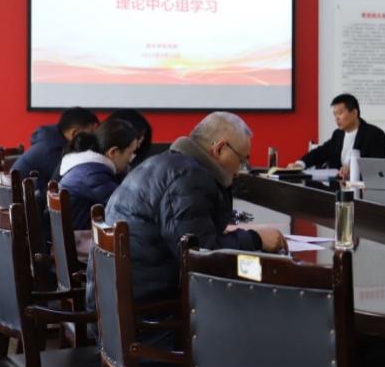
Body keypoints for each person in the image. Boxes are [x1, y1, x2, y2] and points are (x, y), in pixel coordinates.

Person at [96, 111, 286, 305]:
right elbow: (202, 259)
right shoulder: (189, 178)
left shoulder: (166, 163)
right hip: (152, 308)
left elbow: (189, 236)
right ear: (220, 149)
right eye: (242, 160)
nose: (240, 170)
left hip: (120, 299)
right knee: (264, 296)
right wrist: (256, 239)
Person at [58, 117, 140, 230]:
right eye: (130, 153)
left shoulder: (89, 168)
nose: (131, 159)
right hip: (81, 237)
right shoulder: (93, 175)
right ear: (113, 152)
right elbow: (129, 205)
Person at [290, 94, 385, 178]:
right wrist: (300, 164)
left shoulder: (375, 135)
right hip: (338, 187)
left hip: (363, 190)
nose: (336, 118)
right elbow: (321, 152)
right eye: (335, 114)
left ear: (354, 113)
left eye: (340, 113)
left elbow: (378, 167)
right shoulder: (338, 134)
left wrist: (354, 169)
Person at [13, 107, 99, 197]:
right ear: (75, 133)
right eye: (94, 134)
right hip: (25, 201)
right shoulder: (52, 150)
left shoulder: (52, 140)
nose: (98, 139)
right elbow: (66, 183)